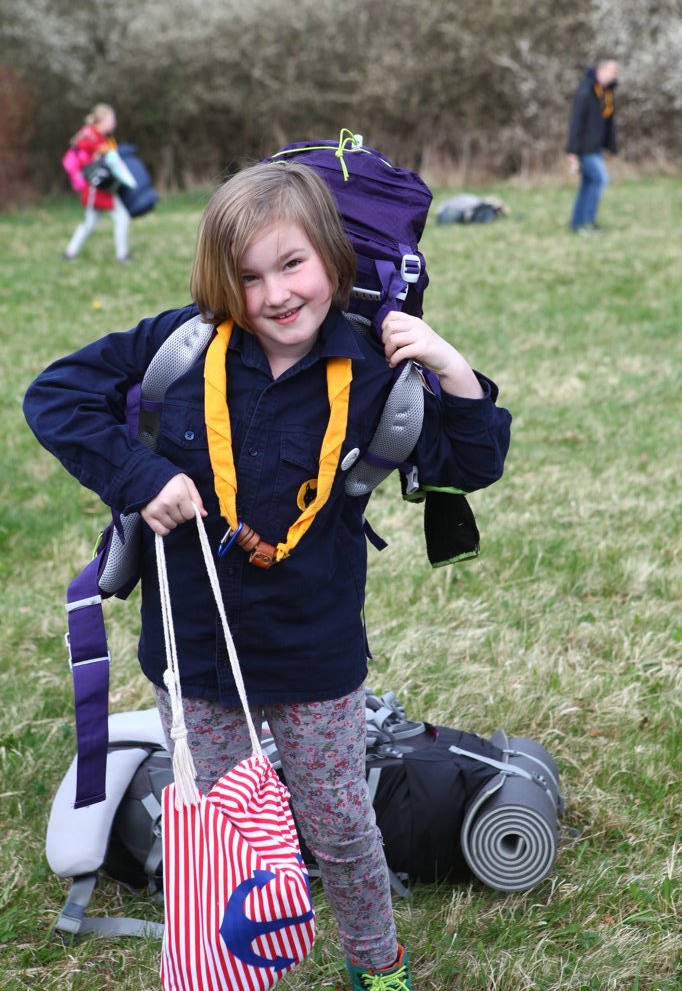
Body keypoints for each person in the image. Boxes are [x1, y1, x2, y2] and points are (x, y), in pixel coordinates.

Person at [24, 161, 511, 990]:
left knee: (341, 825)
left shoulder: (375, 372)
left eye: (292, 265)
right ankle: (228, 967)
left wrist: (447, 364)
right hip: (195, 655)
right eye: (248, 277)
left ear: (331, 257)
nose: (276, 295)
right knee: (222, 831)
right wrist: (141, 479)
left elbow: (472, 461)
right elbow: (55, 396)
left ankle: (377, 964)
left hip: (314, 654)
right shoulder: (182, 348)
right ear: (222, 282)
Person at [63, 103, 132, 262]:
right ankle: (122, 255)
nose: (114, 123)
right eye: (112, 119)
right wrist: (98, 157)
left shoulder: (101, 138)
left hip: (102, 190)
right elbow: (85, 163)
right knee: (120, 218)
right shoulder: (90, 138)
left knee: (92, 222)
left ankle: (70, 252)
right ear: (102, 120)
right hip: (97, 190)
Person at [566, 57, 618, 234]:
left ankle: (577, 224)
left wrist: (612, 146)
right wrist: (572, 151)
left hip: (596, 147)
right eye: (613, 70)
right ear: (601, 70)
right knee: (600, 180)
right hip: (585, 148)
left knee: (588, 183)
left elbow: (607, 122)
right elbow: (576, 122)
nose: (615, 74)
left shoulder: (605, 93)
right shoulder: (586, 91)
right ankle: (587, 223)